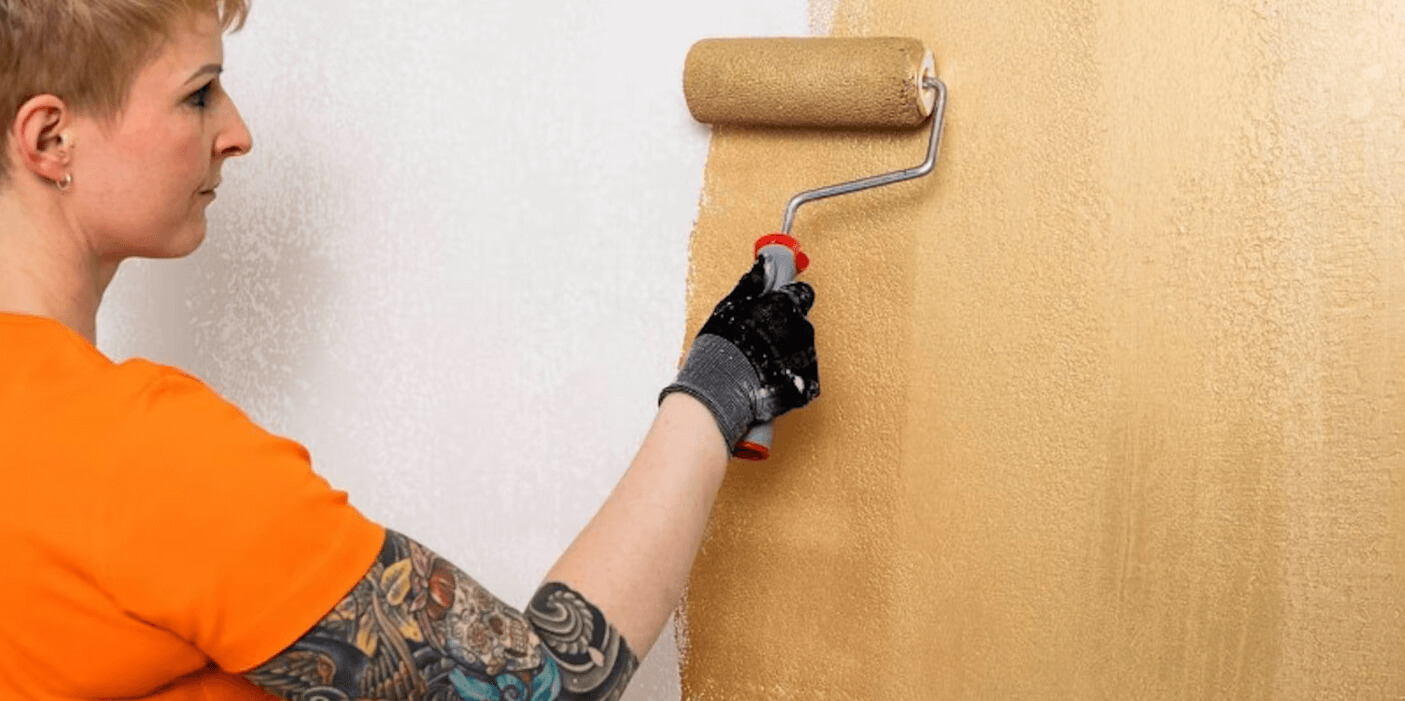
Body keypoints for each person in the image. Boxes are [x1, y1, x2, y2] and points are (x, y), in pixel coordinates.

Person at [0, 1, 820, 699]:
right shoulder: (136, 454)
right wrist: (722, 380)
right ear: (50, 139)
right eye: (199, 94)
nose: (237, 132)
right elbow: (535, 686)